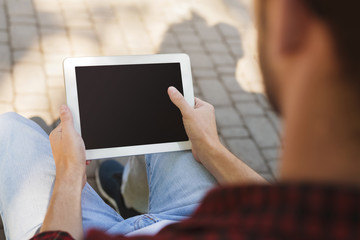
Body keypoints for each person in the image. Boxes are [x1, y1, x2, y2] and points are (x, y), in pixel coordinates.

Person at [1, 0, 360, 239]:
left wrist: (69, 177)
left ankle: (123, 204)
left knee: (11, 130)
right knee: (175, 126)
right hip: (191, 216)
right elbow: (283, 211)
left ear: (290, 21)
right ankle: (129, 199)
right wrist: (212, 149)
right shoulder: (329, 221)